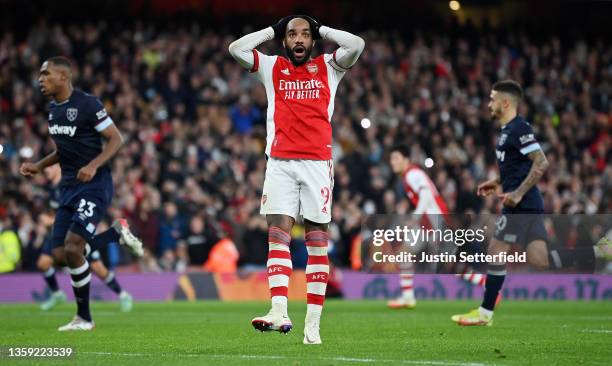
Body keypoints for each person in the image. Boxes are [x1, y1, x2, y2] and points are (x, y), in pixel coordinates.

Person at [229, 15, 364, 344]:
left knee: (317, 240)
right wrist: (271, 30)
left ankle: (313, 325)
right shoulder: (271, 66)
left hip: (317, 163)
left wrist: (324, 30)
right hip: (279, 163)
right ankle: (279, 310)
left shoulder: (330, 65)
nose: (299, 39)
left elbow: (357, 45)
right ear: (285, 40)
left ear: (314, 40)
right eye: (292, 35)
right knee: (278, 235)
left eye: (305, 34)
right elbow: (236, 48)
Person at [452, 80, 611, 326]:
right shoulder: (506, 132)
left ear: (506, 102)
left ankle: (485, 314)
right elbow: (519, 168)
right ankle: (600, 251)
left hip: (521, 203)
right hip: (528, 202)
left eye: (493, 98)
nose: (489, 103)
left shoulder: (518, 128)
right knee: (540, 259)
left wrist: (516, 193)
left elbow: (542, 162)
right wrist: (497, 182)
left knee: (496, 251)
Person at [20, 56, 143, 331]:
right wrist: (39, 166)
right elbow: (63, 150)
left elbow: (116, 138)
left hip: (95, 184)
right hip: (68, 188)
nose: (41, 79)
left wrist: (93, 165)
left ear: (64, 76)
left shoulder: (88, 104)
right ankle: (114, 234)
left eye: (47, 74)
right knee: (63, 255)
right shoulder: (54, 109)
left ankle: (84, 318)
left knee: (75, 247)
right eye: (40, 75)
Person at [38, 164, 134, 312]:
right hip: (58, 234)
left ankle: (123, 295)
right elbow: (55, 212)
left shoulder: (70, 185)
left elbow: (79, 211)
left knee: (98, 268)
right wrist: (48, 218)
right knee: (43, 263)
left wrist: (51, 220)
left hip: (76, 233)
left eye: (49, 168)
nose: (46, 171)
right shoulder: (51, 189)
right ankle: (57, 294)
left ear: (58, 167)